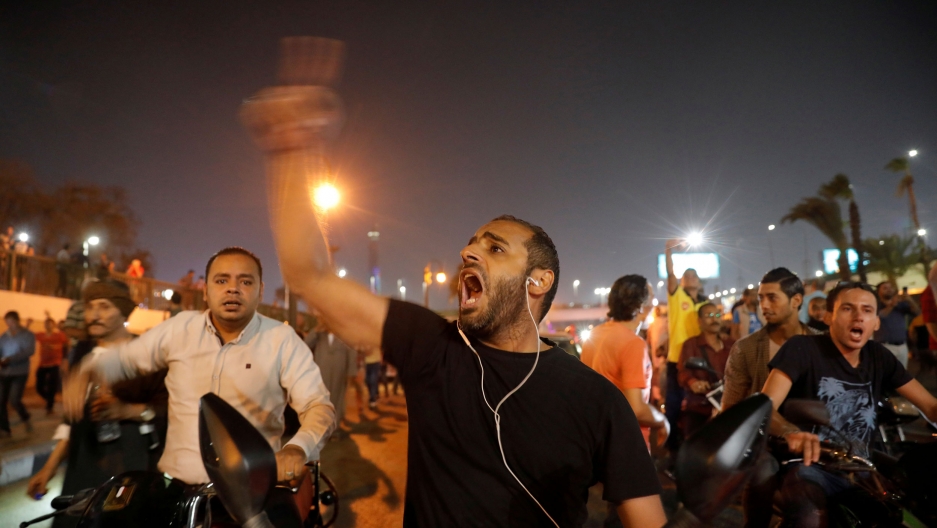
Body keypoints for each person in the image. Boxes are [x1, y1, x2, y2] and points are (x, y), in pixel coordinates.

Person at [64, 247, 336, 487]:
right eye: (221, 280)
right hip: (177, 491)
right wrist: (88, 369)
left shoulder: (282, 340)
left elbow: (318, 406)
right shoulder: (179, 329)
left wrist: (297, 449)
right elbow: (124, 359)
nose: (233, 289)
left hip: (252, 492)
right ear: (205, 291)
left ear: (260, 291)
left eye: (245, 281)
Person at [760, 282, 937, 526]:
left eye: (867, 310)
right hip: (810, 466)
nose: (858, 317)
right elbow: (765, 407)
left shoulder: (879, 356)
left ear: (876, 322)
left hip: (860, 467)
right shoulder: (802, 348)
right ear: (828, 316)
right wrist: (791, 431)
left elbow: (930, 406)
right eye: (847, 308)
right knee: (808, 515)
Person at [28, 280, 169, 527]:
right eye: (90, 306)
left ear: (123, 311)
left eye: (104, 306)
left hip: (129, 466)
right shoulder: (83, 354)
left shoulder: (147, 356)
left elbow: (170, 410)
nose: (93, 315)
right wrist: (49, 467)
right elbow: (71, 420)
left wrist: (130, 411)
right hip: (83, 463)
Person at [581, 274, 670, 453]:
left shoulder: (596, 335)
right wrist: (662, 420)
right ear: (640, 306)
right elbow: (636, 408)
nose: (654, 305)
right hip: (626, 445)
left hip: (595, 442)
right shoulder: (633, 344)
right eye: (651, 299)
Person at [723, 268, 821, 411]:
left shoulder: (821, 343)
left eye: (772, 298)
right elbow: (730, 409)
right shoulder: (745, 349)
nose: (764, 305)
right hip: (766, 431)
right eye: (761, 298)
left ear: (796, 300)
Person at [663, 238, 703, 453]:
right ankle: (672, 447)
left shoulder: (707, 305)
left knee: (699, 405)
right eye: (685, 276)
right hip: (677, 360)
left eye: (693, 275)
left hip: (702, 362)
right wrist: (668, 250)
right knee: (674, 404)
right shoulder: (677, 296)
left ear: (699, 282)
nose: (689, 278)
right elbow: (670, 275)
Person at [677, 302, 735, 437]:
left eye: (717, 315)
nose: (714, 319)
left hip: (730, 405)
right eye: (709, 315)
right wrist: (693, 382)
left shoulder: (731, 344)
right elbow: (683, 373)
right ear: (699, 321)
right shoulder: (691, 344)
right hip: (701, 405)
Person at [305, 318, 358, 425]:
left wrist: (351, 372)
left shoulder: (344, 334)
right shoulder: (319, 334)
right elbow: (306, 343)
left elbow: (352, 352)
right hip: (321, 372)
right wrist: (316, 330)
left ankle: (334, 427)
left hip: (339, 373)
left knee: (336, 400)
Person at [0, 311, 35, 437]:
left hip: (20, 372)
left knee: (14, 400)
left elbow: (29, 351)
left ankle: (25, 418)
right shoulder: (4, 336)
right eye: (7, 322)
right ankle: (4, 429)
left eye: (10, 321)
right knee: (1, 400)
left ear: (17, 320)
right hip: (4, 372)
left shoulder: (28, 335)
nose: (9, 324)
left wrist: (10, 359)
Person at [874, 281, 919, 368]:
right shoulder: (876, 305)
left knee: (902, 375)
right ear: (878, 292)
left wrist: (910, 300)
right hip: (885, 346)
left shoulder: (900, 304)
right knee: (888, 374)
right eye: (885, 288)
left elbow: (917, 313)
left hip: (902, 346)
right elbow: (881, 316)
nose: (889, 290)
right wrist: (892, 304)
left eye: (890, 287)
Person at [35, 318, 69, 416]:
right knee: (39, 387)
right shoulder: (41, 335)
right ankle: (50, 399)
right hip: (43, 364)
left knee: (52, 385)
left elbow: (66, 346)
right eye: (46, 323)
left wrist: (64, 359)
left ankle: (49, 406)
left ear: (53, 325)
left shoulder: (59, 335)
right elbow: (27, 336)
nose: (48, 325)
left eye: (50, 324)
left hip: (55, 363)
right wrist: (28, 325)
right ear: (44, 325)